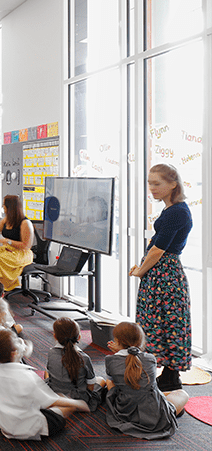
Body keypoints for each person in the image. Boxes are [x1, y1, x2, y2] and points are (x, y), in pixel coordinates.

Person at [129, 164, 193, 392]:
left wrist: (140, 270)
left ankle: (171, 376)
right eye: (150, 183)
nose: (152, 188)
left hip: (165, 276)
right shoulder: (172, 210)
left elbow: (159, 249)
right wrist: (143, 267)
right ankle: (167, 375)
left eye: (157, 183)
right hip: (161, 274)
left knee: (166, 322)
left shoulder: (177, 211)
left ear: (173, 184)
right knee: (161, 320)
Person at [0, 329, 89, 440]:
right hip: (32, 429)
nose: (21, 341)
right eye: (17, 341)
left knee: (40, 401)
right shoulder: (28, 377)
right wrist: (78, 403)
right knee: (66, 405)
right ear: (14, 354)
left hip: (6, 427)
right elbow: (52, 401)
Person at [104, 321, 188, 439]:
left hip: (124, 411)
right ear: (141, 341)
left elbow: (111, 386)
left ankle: (171, 409)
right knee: (182, 393)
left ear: (117, 341)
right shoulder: (150, 359)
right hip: (153, 415)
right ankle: (171, 411)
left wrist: (117, 353)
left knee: (115, 383)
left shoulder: (110, 360)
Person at [45, 317, 106, 411]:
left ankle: (61, 403)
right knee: (101, 380)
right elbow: (91, 386)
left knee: (46, 373)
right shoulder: (84, 358)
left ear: (55, 336)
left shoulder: (51, 352)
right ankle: (76, 405)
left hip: (56, 396)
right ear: (79, 337)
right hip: (78, 399)